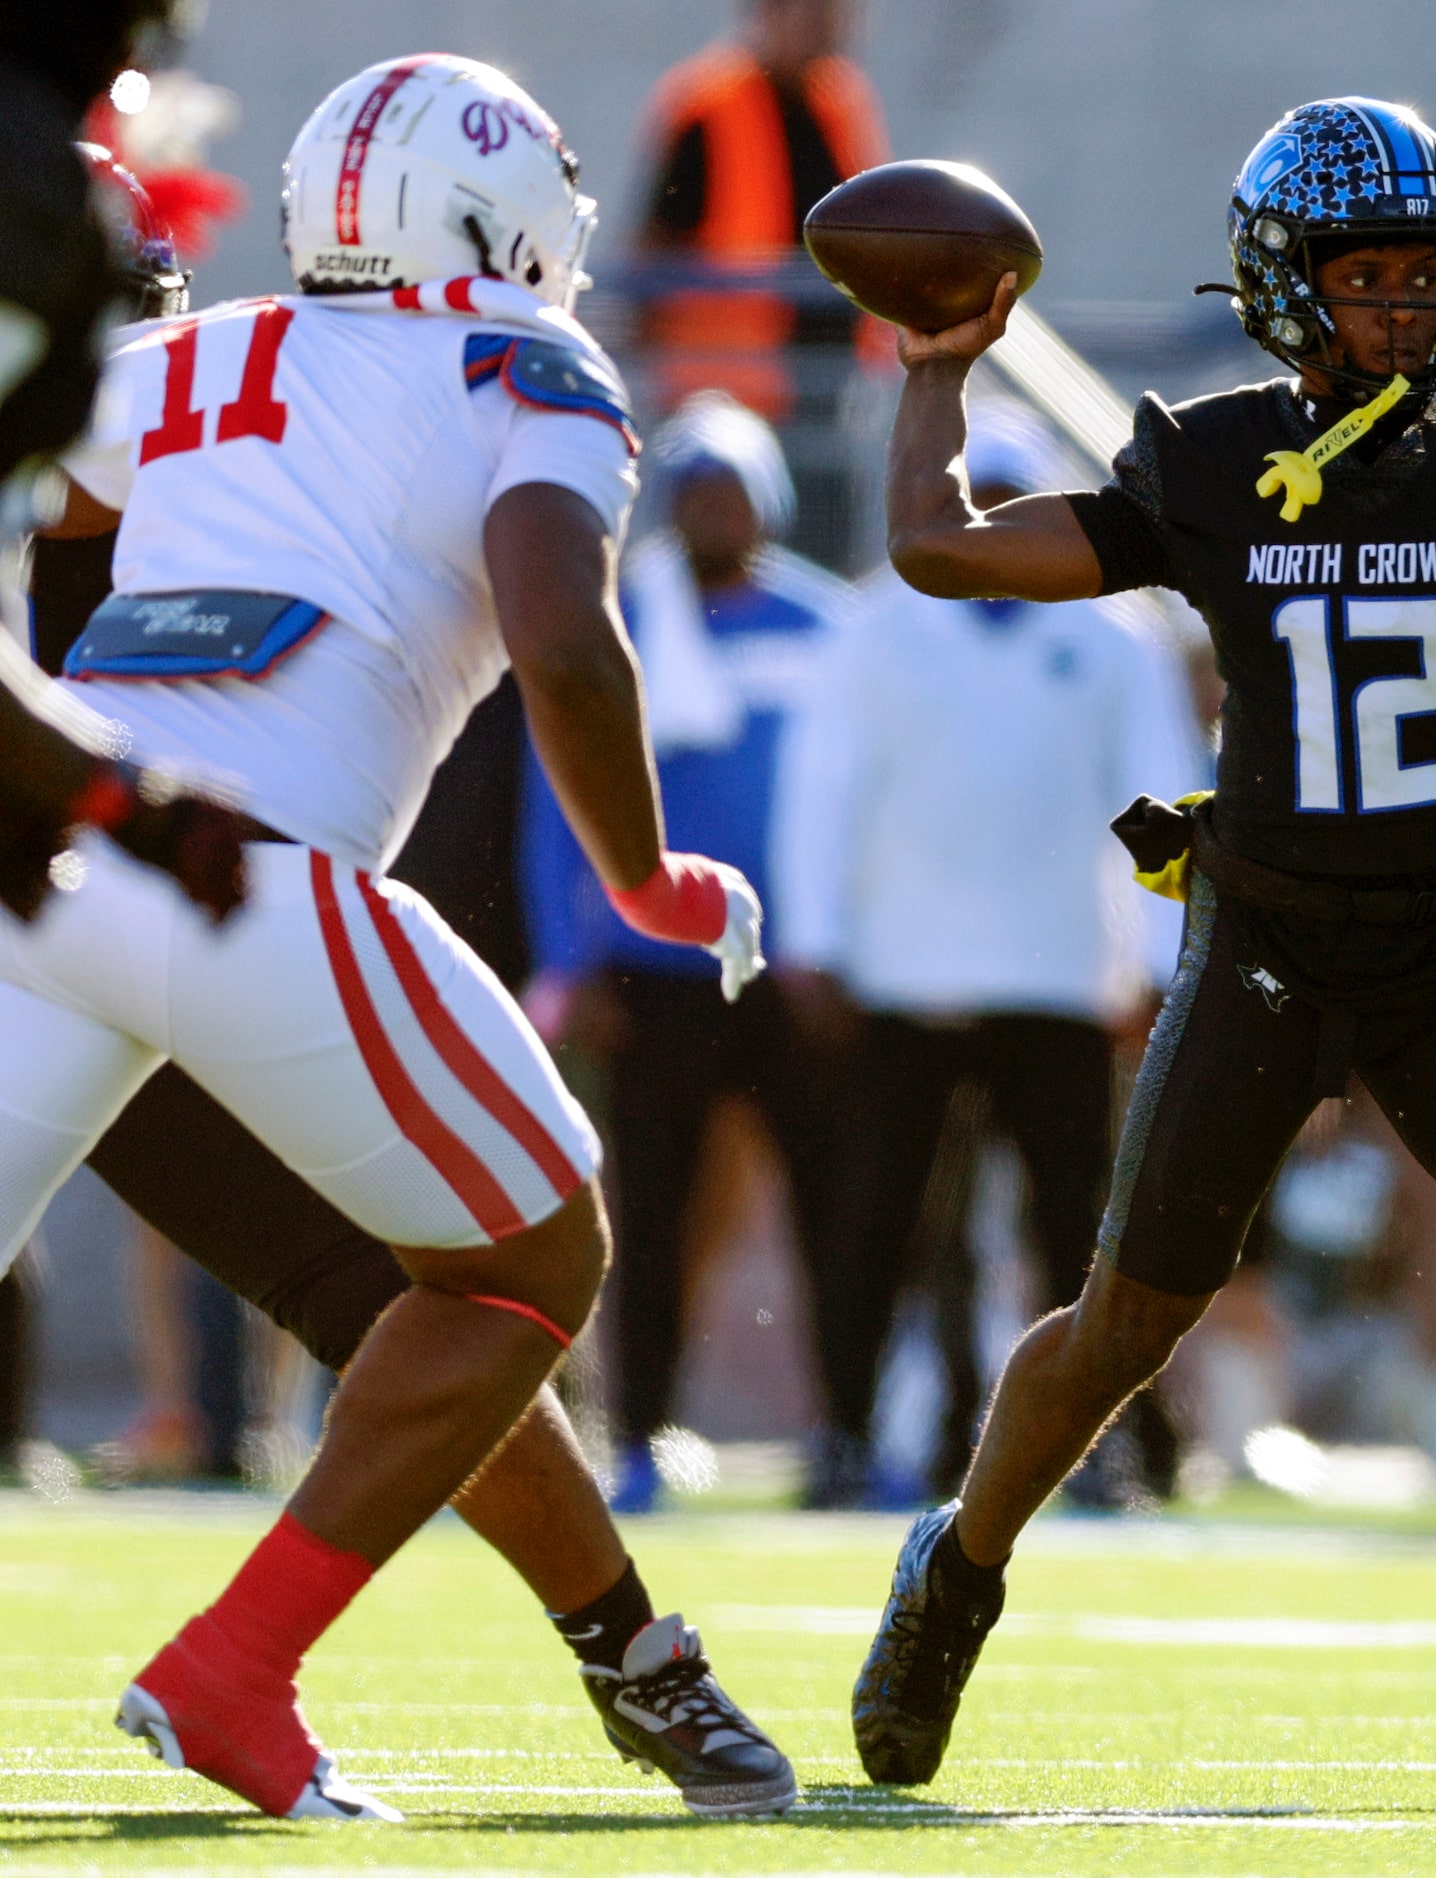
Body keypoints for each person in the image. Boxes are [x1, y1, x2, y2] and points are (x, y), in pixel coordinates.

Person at [842, 97, 1436, 1808]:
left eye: (1427, 274)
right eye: (1369, 276)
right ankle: (956, 1566)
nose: (1404, 307)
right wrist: (935, 366)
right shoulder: (1212, 456)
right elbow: (936, 546)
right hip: (1266, 940)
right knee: (1128, 1323)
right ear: (1284, 286)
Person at [13, 56, 776, 1821]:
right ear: (507, 212)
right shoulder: (532, 364)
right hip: (248, 873)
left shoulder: (189, 357)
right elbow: (563, 634)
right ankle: (235, 1667)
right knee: (529, 1261)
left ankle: (604, 1651)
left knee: (409, 1283)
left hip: (46, 889)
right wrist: (651, 881)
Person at [771, 400, 1202, 1505]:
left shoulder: (1115, 636)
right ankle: (846, 1435)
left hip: (1060, 977)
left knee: (1078, 1231)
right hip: (903, 977)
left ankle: (1109, 1445)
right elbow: (820, 792)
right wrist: (812, 945)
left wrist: (1160, 959)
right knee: (875, 1223)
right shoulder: (873, 626)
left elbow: (1156, 799)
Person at [521, 390, 851, 1515]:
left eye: (735, 490)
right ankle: (640, 1432)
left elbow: (853, 802)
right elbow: (551, 808)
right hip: (653, 973)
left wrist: (838, 947)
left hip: (793, 971)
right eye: (696, 491)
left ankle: (846, 1432)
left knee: (837, 1205)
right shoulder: (624, 625)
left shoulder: (825, 627)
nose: (716, 512)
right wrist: (574, 957)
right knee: (646, 1217)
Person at [637, 0, 887, 418]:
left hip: (826, 389)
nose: (831, 22)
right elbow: (653, 252)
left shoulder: (842, 101)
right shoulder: (707, 105)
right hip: (721, 396)